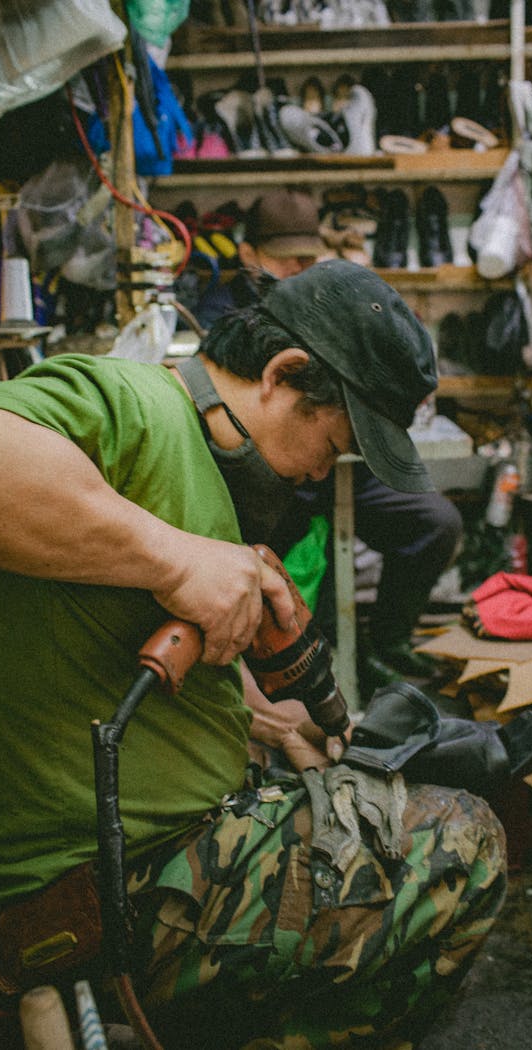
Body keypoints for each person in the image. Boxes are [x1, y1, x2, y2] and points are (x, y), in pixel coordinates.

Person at [0, 259, 505, 1050]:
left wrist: (257, 723)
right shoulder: (139, 404)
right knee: (465, 845)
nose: (325, 471)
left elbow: (89, 642)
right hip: (95, 891)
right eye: (333, 441)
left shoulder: (210, 466)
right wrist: (174, 560)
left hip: (150, 855)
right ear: (284, 372)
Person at [196, 188, 464, 695]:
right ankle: (281, 669)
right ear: (248, 253)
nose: (298, 266)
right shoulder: (219, 312)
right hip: (273, 465)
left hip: (326, 453)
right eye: (285, 256)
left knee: (436, 522)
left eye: (307, 256)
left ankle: (384, 644)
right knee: (274, 563)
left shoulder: (328, 299)